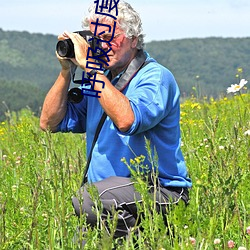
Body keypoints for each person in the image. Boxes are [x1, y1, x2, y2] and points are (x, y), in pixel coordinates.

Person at [40, 0, 192, 244]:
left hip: (159, 192)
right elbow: (49, 123)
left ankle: (147, 241)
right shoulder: (100, 81)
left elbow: (127, 120)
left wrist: (91, 68)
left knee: (88, 199)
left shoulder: (155, 77)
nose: (100, 45)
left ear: (133, 38)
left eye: (109, 36)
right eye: (94, 37)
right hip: (110, 199)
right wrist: (66, 71)